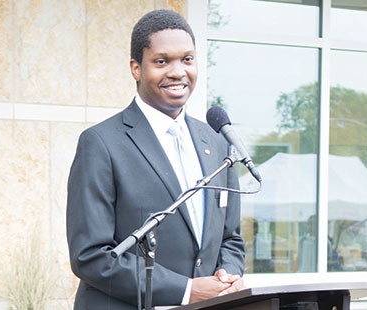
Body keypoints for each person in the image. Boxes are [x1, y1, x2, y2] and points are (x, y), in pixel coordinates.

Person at [66, 10, 245, 309]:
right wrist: (186, 290)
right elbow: (91, 255)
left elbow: (231, 238)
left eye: (187, 59)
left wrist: (229, 275)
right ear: (136, 68)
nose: (177, 72)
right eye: (162, 61)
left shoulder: (216, 141)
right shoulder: (101, 143)